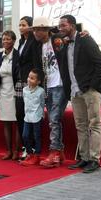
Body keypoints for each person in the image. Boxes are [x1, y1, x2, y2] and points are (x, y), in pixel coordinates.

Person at [58, 14, 101, 173]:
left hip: (89, 90)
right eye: (59, 26)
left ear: (72, 25)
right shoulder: (65, 44)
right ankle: (84, 158)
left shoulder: (85, 39)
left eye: (63, 25)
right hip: (74, 90)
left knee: (95, 124)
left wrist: (93, 86)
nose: (60, 28)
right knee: (81, 126)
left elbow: (100, 62)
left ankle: (94, 159)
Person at [30, 16, 68, 168]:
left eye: (37, 30)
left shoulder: (57, 40)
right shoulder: (40, 46)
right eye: (34, 30)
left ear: (45, 30)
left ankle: (54, 152)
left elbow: (71, 41)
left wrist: (83, 33)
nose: (35, 34)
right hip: (48, 86)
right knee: (54, 119)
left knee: (54, 119)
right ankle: (59, 152)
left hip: (60, 84)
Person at [16, 16, 42, 159]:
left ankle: (32, 148)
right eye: (19, 25)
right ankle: (25, 145)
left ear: (31, 27)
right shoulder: (21, 42)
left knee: (31, 114)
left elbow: (36, 63)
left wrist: (36, 81)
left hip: (31, 82)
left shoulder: (34, 42)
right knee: (20, 113)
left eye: (24, 25)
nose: (21, 27)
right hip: (20, 82)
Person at [0, 30, 20, 160]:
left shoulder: (18, 55)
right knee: (6, 123)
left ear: (14, 41)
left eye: (8, 39)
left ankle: (16, 151)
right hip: (3, 92)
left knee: (16, 122)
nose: (5, 41)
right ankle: (8, 150)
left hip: (16, 91)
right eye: (3, 39)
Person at [20, 68, 45, 166]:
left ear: (38, 81)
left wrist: (42, 114)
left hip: (37, 117)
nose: (29, 80)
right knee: (25, 135)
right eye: (29, 77)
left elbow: (42, 103)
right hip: (27, 117)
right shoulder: (24, 90)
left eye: (32, 78)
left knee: (36, 136)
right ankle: (29, 153)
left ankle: (37, 156)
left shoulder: (41, 91)